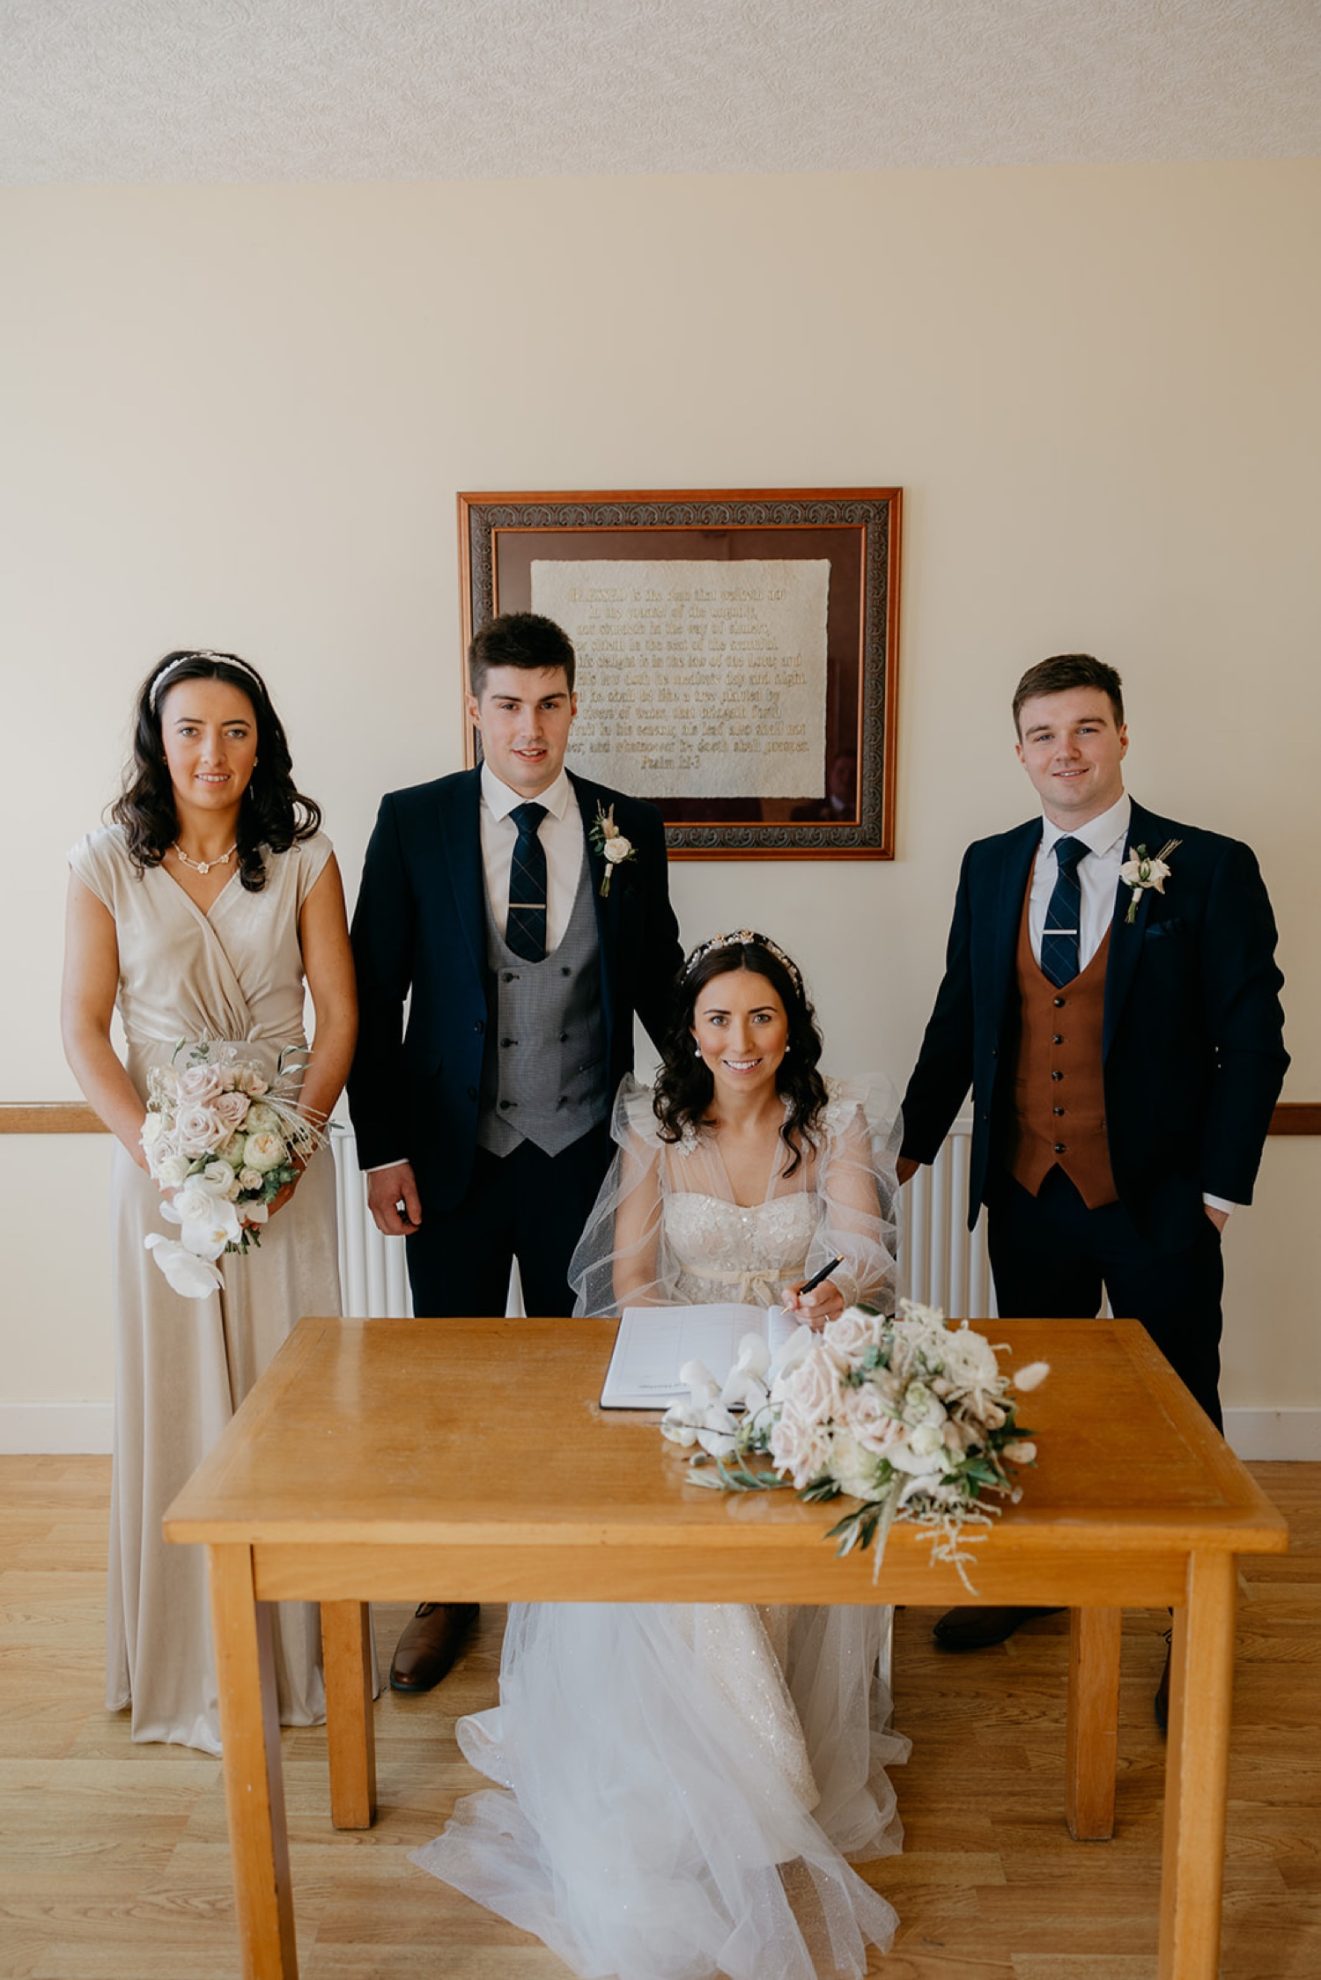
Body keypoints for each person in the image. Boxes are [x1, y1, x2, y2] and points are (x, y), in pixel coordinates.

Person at [413, 932, 908, 1980]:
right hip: (684, 1380)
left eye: (762, 1017)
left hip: (791, 1371)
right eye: (720, 1019)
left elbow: (861, 1242)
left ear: (791, 1027)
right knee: (679, 1540)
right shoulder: (654, 1120)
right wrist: (691, 1367)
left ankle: (761, 1766)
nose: (741, 1040)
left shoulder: (835, 1116)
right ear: (690, 1031)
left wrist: (827, 1289)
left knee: (769, 1515)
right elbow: (630, 1276)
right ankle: (700, 1774)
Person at [898, 654, 1288, 1716]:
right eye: (1042, 733)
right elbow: (956, 1023)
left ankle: (1190, 1616)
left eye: (1085, 728)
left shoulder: (1206, 866)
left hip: (1157, 1200)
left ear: (1121, 737)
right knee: (1033, 1412)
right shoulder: (988, 866)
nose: (1063, 751)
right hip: (1027, 1196)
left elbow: (1253, 1043)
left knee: (1179, 1414)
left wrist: (1216, 1193)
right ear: (1017, 749)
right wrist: (902, 1154)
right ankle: (1042, 1584)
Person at [348, 610, 683, 1692]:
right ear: (475, 708)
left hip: (583, 1150)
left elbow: (658, 984)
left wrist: (714, 1117)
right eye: (507, 705)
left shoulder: (631, 825)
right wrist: (380, 1150)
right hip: (448, 1155)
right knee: (448, 1388)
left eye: (548, 704)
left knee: (583, 1379)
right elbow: (369, 993)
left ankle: (575, 1590)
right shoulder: (414, 822)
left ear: (573, 705)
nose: (528, 728)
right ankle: (449, 1588)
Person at [61, 649, 358, 1754]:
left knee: (293, 1400)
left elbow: (337, 1014)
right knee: (180, 1403)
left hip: (287, 1167)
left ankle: (297, 1663)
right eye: (190, 729)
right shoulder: (103, 862)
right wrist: (161, 1153)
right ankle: (187, 1666)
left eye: (234, 731)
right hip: (158, 1177)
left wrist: (289, 1144)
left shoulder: (306, 857)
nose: (212, 752)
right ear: (158, 740)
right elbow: (84, 1029)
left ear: (261, 741)